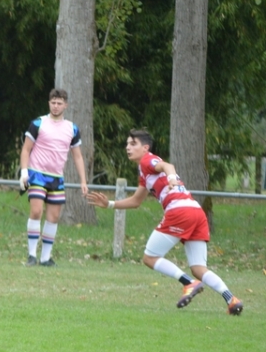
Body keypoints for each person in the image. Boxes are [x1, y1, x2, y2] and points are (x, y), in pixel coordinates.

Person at [85, 130, 243, 315]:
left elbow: (168, 166)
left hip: (179, 211)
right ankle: (231, 299)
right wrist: (110, 204)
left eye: (133, 144)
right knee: (198, 268)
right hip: (195, 211)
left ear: (145, 148)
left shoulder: (147, 160)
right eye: (127, 144)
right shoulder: (144, 171)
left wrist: (172, 179)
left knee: (149, 258)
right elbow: (136, 201)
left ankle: (189, 283)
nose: (128, 147)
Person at [18, 88, 88, 266]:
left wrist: (83, 180)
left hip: (57, 177)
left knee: (54, 217)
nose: (56, 106)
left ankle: (45, 258)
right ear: (49, 103)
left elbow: (77, 156)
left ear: (66, 105)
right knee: (36, 211)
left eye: (59, 103)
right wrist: (24, 172)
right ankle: (31, 255)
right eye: (53, 103)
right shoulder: (38, 123)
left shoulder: (72, 128)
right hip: (37, 174)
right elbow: (26, 149)